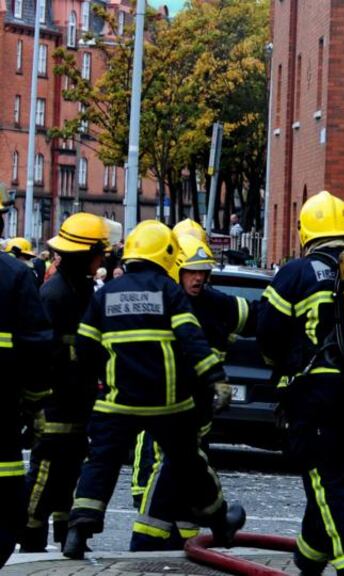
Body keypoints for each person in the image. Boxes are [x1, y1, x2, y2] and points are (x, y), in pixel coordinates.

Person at [62, 220, 246, 558]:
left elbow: (85, 348)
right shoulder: (169, 291)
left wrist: (98, 383)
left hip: (118, 401)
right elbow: (192, 340)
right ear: (166, 256)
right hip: (168, 403)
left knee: (100, 462)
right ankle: (220, 523)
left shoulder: (106, 294)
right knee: (190, 462)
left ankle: (78, 531)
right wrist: (216, 379)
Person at [257, 191, 344, 575]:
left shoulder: (295, 272)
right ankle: (308, 562)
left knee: (327, 481)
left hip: (315, 393)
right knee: (335, 476)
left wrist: (278, 367)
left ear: (305, 232)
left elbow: (268, 331)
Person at [128, 232, 257, 551]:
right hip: (165, 414)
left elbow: (254, 317)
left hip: (198, 416)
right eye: (191, 271)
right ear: (176, 269)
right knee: (161, 475)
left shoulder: (215, 303)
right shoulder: (163, 302)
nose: (199, 278)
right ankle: (146, 543)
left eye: (203, 271)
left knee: (188, 483)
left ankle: (187, 543)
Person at [21, 214, 110, 552]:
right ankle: (30, 535)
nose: (102, 259)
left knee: (70, 470)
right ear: (83, 255)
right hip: (55, 400)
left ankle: (63, 533)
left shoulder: (83, 290)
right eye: (98, 253)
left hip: (79, 397)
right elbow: (44, 352)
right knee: (45, 472)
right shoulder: (54, 295)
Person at [0, 248, 52, 567]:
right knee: (6, 506)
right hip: (3, 410)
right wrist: (35, 403)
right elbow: (36, 348)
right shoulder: (14, 274)